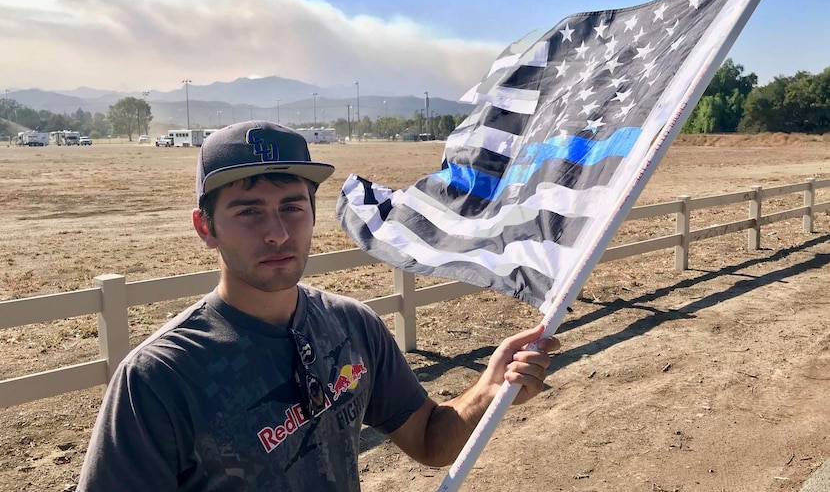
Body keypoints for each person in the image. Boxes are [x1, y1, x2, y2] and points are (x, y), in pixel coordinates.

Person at [77, 121, 560, 491]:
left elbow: (430, 439)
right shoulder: (160, 376)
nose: (277, 232)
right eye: (248, 212)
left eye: (292, 206)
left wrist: (490, 390)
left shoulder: (351, 326)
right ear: (206, 228)